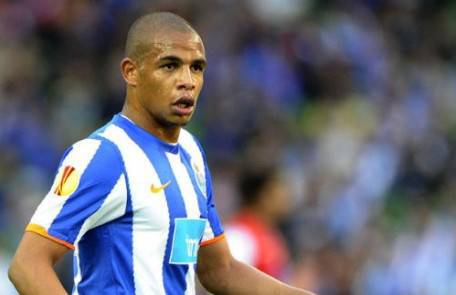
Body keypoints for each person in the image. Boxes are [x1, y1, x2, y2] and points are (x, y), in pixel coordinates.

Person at [8, 12, 315, 295]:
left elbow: (220, 269)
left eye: (197, 67)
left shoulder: (191, 153)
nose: (188, 81)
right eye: (170, 65)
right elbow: (27, 266)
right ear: (131, 72)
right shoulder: (104, 156)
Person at [226, 165, 292, 279]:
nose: (285, 196)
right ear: (262, 196)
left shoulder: (271, 233)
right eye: (278, 190)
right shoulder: (238, 236)